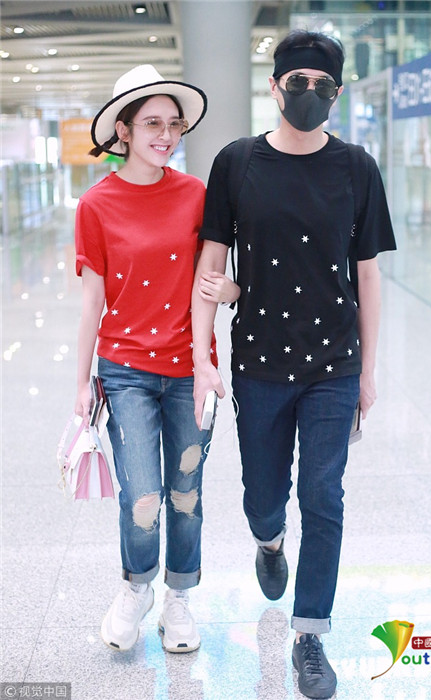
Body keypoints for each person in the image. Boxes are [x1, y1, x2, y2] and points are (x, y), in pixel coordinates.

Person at [191, 30, 396, 699]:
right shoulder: (237, 162)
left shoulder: (357, 167)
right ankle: (269, 541)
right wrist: (202, 356)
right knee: (262, 495)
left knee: (324, 496)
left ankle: (310, 634)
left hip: (334, 363)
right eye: (297, 81)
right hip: (259, 361)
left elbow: (367, 276)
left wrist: (368, 372)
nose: (309, 93)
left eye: (322, 84)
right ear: (276, 86)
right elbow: (210, 264)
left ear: (336, 93)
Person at [74, 64, 239, 654]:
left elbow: (214, 279)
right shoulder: (96, 205)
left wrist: (228, 304)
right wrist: (80, 385)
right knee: (142, 494)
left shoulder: (196, 195)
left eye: (173, 124)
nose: (166, 135)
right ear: (123, 130)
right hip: (125, 371)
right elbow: (92, 300)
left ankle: (179, 598)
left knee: (185, 494)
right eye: (151, 124)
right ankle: (136, 587)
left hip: (192, 369)